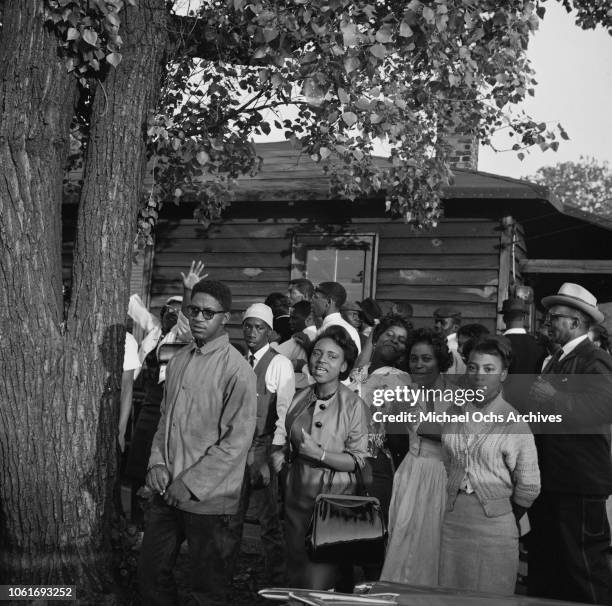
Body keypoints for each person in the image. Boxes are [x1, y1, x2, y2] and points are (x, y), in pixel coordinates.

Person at [138, 279, 257, 606]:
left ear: (225, 318)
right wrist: (157, 462)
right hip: (167, 489)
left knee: (207, 589)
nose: (199, 317)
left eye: (209, 312)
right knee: (150, 574)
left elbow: (236, 443)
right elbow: (165, 420)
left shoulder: (237, 370)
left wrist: (190, 484)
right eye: (194, 310)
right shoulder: (177, 360)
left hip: (210, 498)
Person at [528, 283, 612, 604]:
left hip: (578, 482)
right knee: (551, 567)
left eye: (553, 318)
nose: (547, 324)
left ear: (575, 323)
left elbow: (601, 409)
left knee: (584, 567)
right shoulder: (552, 361)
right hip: (552, 480)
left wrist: (554, 397)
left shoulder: (595, 358)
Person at [440, 336, 540, 595]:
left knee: (491, 597)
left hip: (496, 526)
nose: (479, 376)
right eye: (473, 367)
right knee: (451, 596)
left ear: (503, 374)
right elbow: (448, 460)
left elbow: (529, 485)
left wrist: (503, 513)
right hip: (454, 520)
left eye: (489, 369)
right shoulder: (454, 413)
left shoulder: (514, 423)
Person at [271, 326, 369, 590]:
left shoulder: (353, 405)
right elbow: (291, 440)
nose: (321, 360)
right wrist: (282, 457)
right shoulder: (300, 397)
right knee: (295, 576)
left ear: (345, 365)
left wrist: (321, 454)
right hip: (296, 499)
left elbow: (358, 460)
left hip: (331, 504)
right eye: (317, 353)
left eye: (332, 356)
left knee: (320, 582)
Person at [228, 303, 295, 586]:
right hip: (234, 449)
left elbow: (284, 411)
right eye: (248, 326)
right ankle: (225, 576)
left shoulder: (280, 363)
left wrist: (273, 453)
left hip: (262, 446)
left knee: (268, 521)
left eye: (259, 328)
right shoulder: (237, 360)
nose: (252, 332)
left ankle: (276, 580)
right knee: (231, 518)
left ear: (269, 332)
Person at [381, 328, 454, 586]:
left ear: (440, 361)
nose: (419, 365)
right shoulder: (405, 394)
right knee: (405, 539)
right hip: (413, 473)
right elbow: (405, 434)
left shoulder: (457, 394)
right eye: (414, 359)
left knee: (434, 545)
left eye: (426, 358)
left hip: (443, 476)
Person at [349, 314, 412, 579]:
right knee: (341, 537)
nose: (396, 343)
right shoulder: (359, 372)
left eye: (402, 341)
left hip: (376, 464)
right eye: (391, 335)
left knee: (371, 541)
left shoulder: (403, 379)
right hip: (343, 462)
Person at [311, 282, 361, 353]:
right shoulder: (349, 328)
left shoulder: (332, 329)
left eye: (316, 297)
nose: (311, 301)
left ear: (329, 302)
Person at [433, 307, 466, 375]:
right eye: (436, 322)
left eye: (443, 323)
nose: (437, 325)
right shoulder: (438, 343)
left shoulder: (452, 349)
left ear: (455, 327)